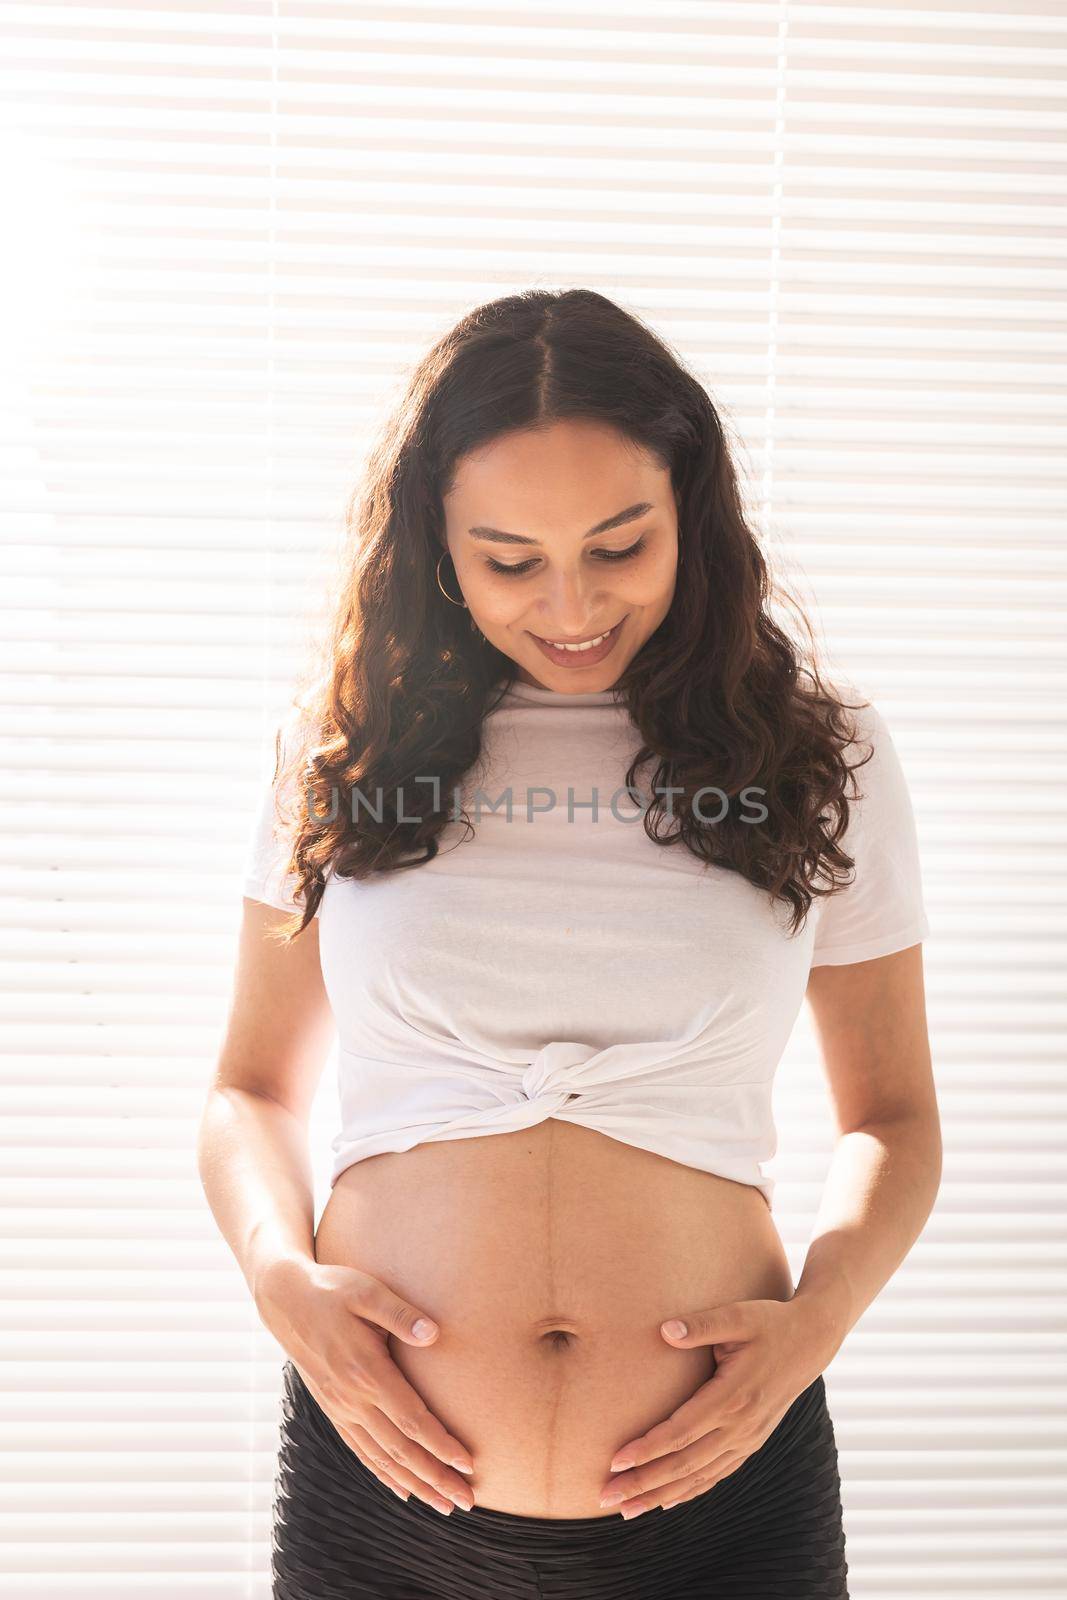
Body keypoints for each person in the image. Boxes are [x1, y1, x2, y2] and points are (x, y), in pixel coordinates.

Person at [198, 288, 940, 1600]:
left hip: (722, 1495)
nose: (572, 606)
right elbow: (250, 1091)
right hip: (384, 1493)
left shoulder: (822, 758)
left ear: (691, 517)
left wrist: (816, 1325)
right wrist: (281, 1279)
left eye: (618, 546)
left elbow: (893, 1116)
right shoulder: (342, 752)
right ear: (435, 542)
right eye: (509, 559)